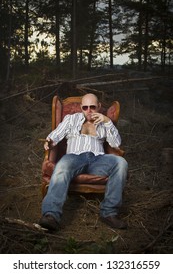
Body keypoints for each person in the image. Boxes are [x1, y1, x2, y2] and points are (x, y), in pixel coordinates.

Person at [39, 93, 128, 230]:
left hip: (98, 159)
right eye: (85, 107)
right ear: (81, 107)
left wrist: (107, 122)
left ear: (98, 106)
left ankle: (109, 212)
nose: (89, 111)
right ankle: (51, 215)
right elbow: (55, 135)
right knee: (62, 166)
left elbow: (116, 144)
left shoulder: (104, 122)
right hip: (74, 157)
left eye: (92, 107)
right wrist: (49, 140)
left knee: (121, 163)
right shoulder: (71, 119)